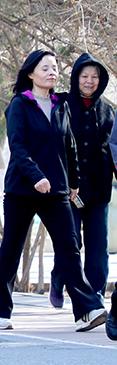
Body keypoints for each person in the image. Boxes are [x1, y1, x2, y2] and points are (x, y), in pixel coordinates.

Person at [0, 50, 107, 332]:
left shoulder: (60, 104)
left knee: (69, 248)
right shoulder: (19, 104)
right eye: (45, 68)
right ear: (30, 73)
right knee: (11, 249)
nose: (51, 72)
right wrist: (36, 176)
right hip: (22, 191)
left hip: (56, 191)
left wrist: (73, 182)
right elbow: (17, 147)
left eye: (54, 68)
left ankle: (87, 311)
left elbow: (69, 146)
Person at [56, 53, 113, 304]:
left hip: (99, 191)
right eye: (84, 76)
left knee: (98, 247)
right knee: (71, 242)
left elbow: (114, 149)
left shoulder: (108, 111)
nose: (89, 81)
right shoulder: (63, 105)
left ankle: (95, 293)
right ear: (76, 78)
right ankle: (59, 279)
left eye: (94, 77)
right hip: (69, 190)